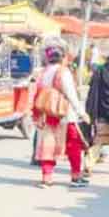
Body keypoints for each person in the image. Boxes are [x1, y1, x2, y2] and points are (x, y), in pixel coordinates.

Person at [32, 37, 90, 188]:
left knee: (47, 146)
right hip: (65, 115)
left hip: (47, 113)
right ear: (63, 56)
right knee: (73, 145)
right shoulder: (63, 73)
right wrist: (82, 112)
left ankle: (47, 178)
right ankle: (76, 177)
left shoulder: (42, 72)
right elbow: (70, 94)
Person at [85, 52, 109, 175]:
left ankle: (89, 165)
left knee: (99, 140)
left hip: (101, 114)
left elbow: (93, 92)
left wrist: (91, 112)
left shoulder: (99, 74)